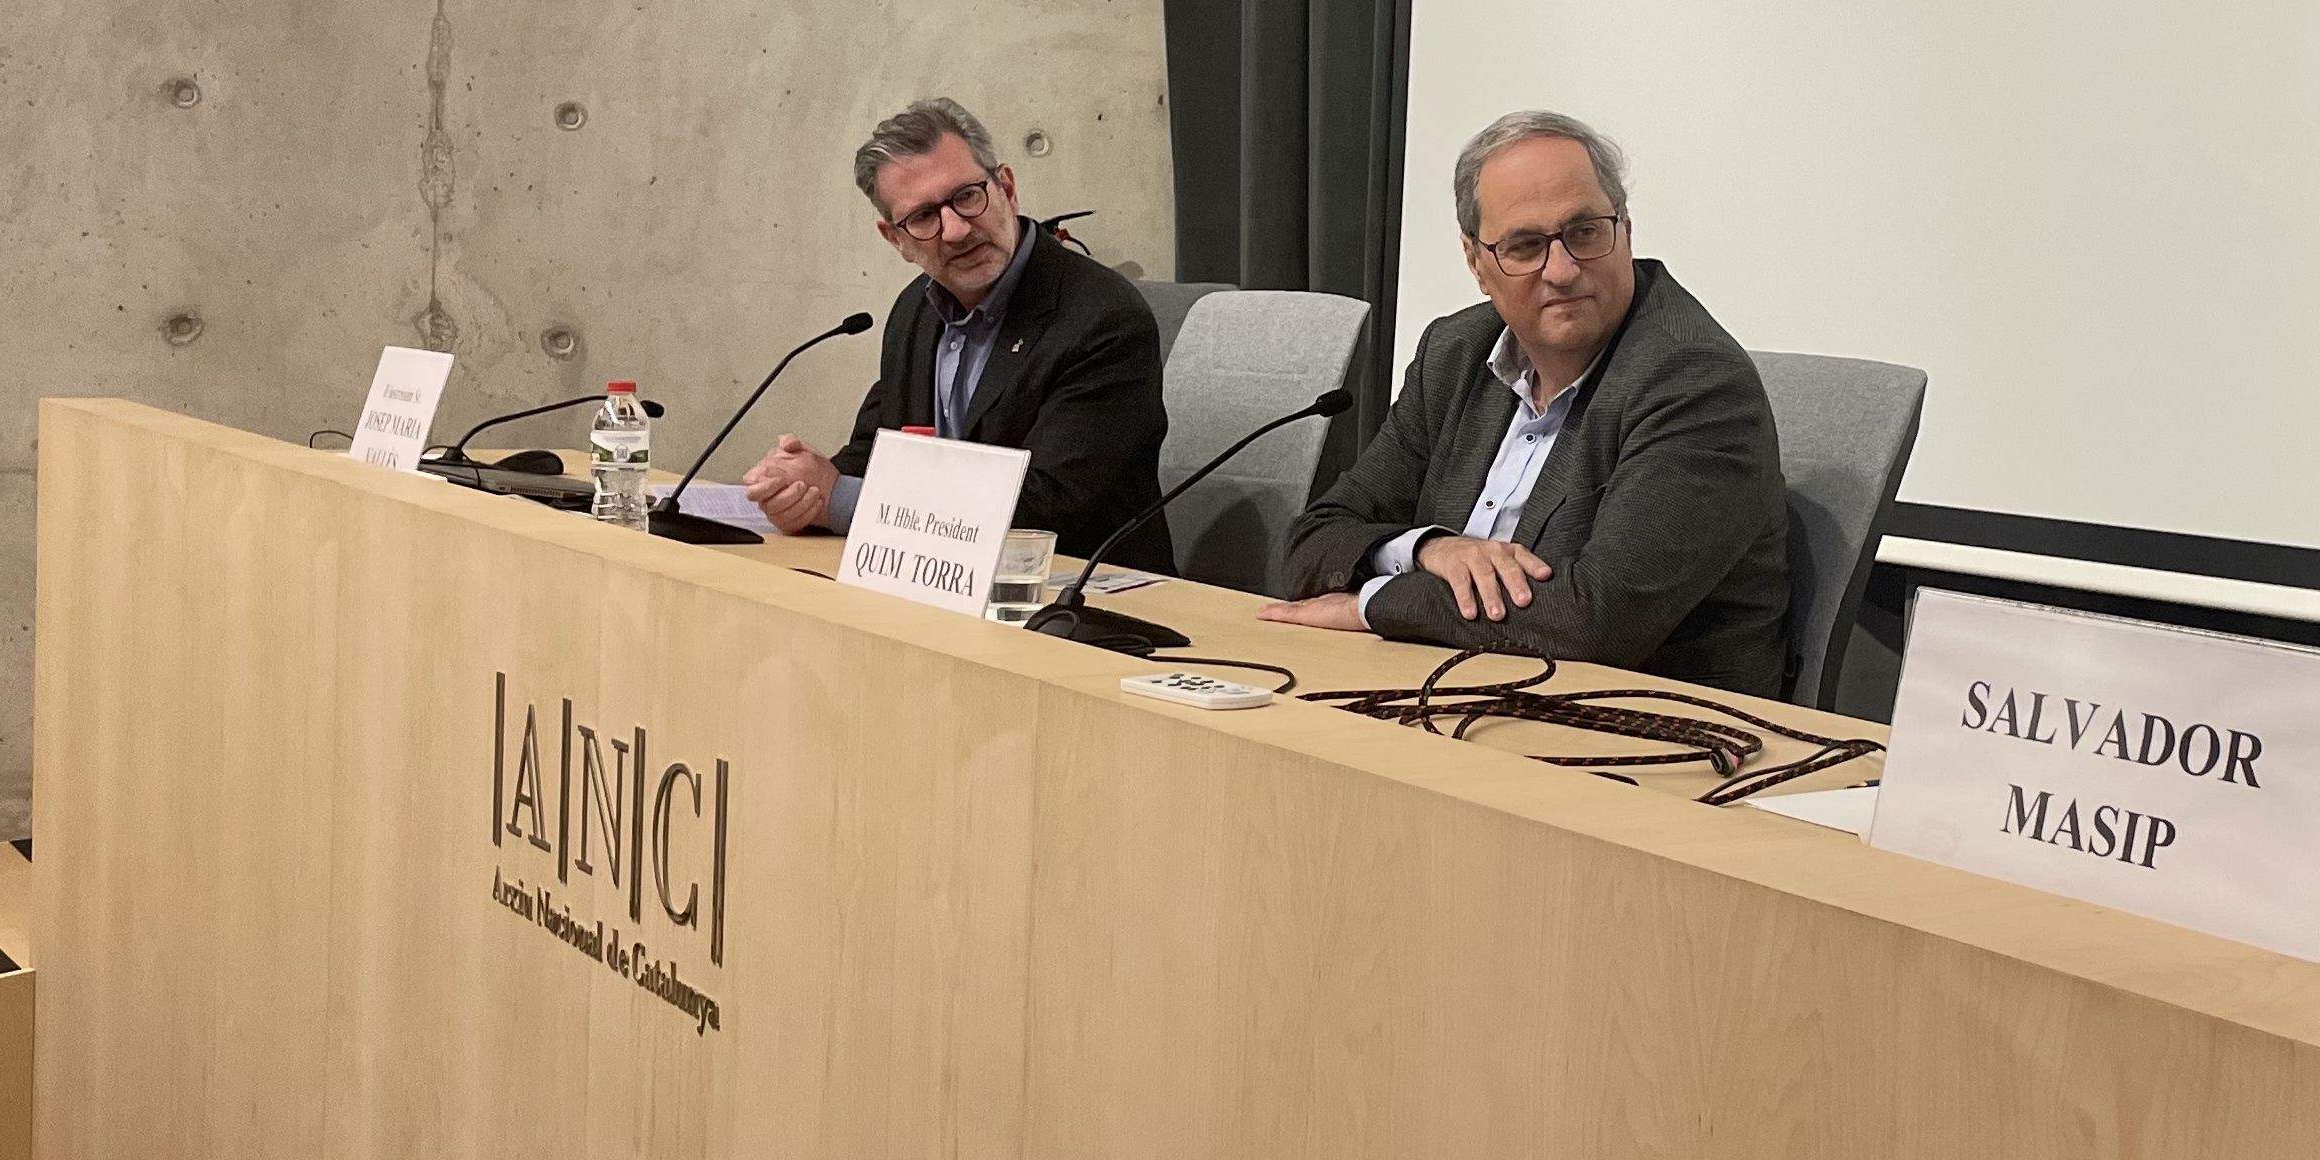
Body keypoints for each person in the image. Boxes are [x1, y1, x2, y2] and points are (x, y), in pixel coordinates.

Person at [1267, 109, 1795, 692]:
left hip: (1644, 729)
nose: (1563, 270)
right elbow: (1314, 543)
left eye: (1586, 232)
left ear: (1626, 228)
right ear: (1477, 262)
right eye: (1525, 246)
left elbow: (1595, 622)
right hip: (1449, 691)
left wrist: (1373, 603)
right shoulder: (1456, 352)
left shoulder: (1693, 381)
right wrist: (1431, 550)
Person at [743, 98, 1172, 567]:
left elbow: (1047, 508)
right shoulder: (916, 309)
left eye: (967, 197)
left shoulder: (1101, 318)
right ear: (896, 239)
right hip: (940, 584)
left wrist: (841, 500)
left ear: (1007, 189)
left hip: (1078, 601)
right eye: (924, 217)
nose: (955, 230)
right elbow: (878, 452)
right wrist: (803, 487)